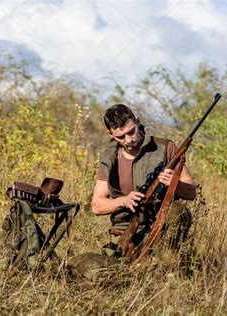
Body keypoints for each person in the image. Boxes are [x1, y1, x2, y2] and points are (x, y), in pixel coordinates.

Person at [69, 104, 200, 281]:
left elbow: (192, 192)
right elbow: (96, 205)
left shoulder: (165, 148)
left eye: (131, 132)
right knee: (86, 264)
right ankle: (134, 272)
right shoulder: (110, 159)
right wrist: (123, 201)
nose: (128, 139)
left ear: (137, 121)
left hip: (163, 229)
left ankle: (166, 269)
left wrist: (175, 184)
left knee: (178, 210)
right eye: (121, 137)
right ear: (110, 134)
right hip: (128, 236)